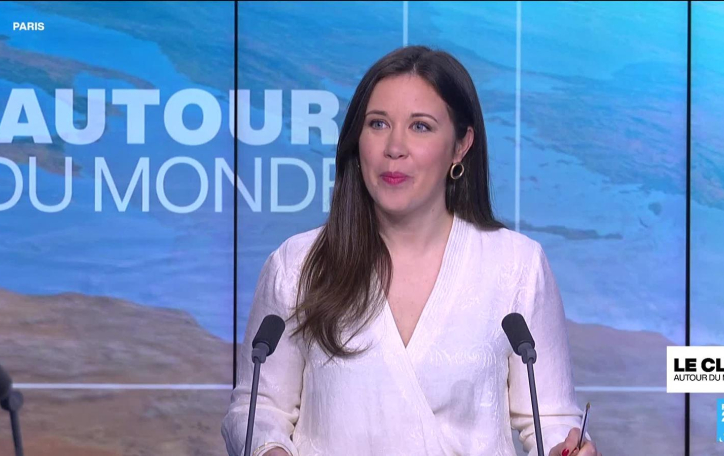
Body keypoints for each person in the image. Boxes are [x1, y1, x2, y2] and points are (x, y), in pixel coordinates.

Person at [222, 45, 600, 456]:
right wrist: (269, 449)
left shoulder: (517, 265)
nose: (394, 147)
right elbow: (256, 408)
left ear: (460, 146)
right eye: (378, 123)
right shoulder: (297, 265)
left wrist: (567, 448)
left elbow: (551, 418)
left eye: (420, 126)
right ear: (357, 140)